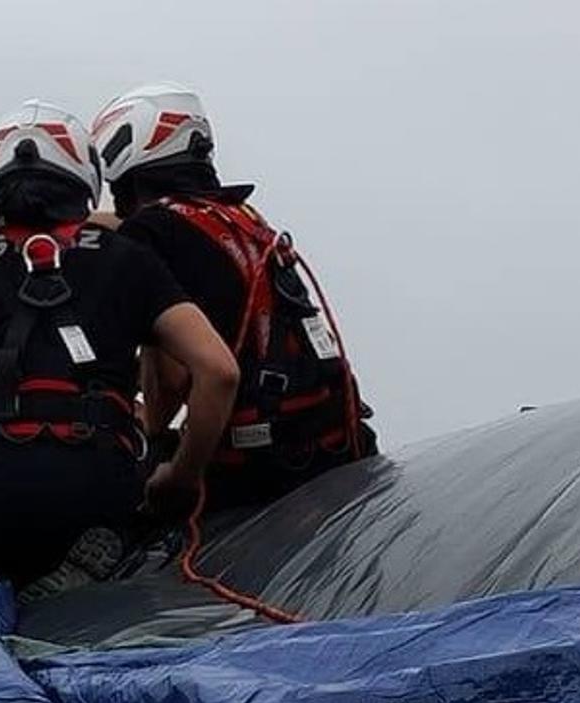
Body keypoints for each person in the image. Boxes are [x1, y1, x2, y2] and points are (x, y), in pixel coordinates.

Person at [0, 99, 238, 588]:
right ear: (83, 175)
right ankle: (95, 568)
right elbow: (219, 370)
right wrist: (181, 477)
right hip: (95, 487)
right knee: (146, 538)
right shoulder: (129, 260)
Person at [90, 83, 378, 512]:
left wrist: (165, 455)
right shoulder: (238, 218)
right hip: (333, 443)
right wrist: (78, 222)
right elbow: (148, 227)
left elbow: (171, 380)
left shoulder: (149, 237)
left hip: (255, 468)